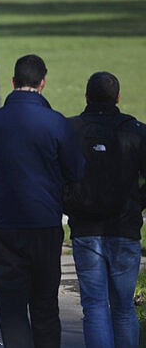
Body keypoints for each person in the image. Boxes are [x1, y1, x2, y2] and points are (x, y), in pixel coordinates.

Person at [0, 54, 85, 348]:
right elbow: (77, 170)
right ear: (42, 83)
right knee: (45, 305)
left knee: (11, 308)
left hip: (3, 226)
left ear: (12, 82)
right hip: (44, 223)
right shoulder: (56, 123)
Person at [63, 72, 146, 348]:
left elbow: (57, 175)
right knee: (123, 308)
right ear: (118, 98)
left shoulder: (72, 129)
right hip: (124, 228)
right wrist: (137, 202)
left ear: (86, 96)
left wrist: (70, 203)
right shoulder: (135, 131)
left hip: (86, 228)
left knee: (95, 306)